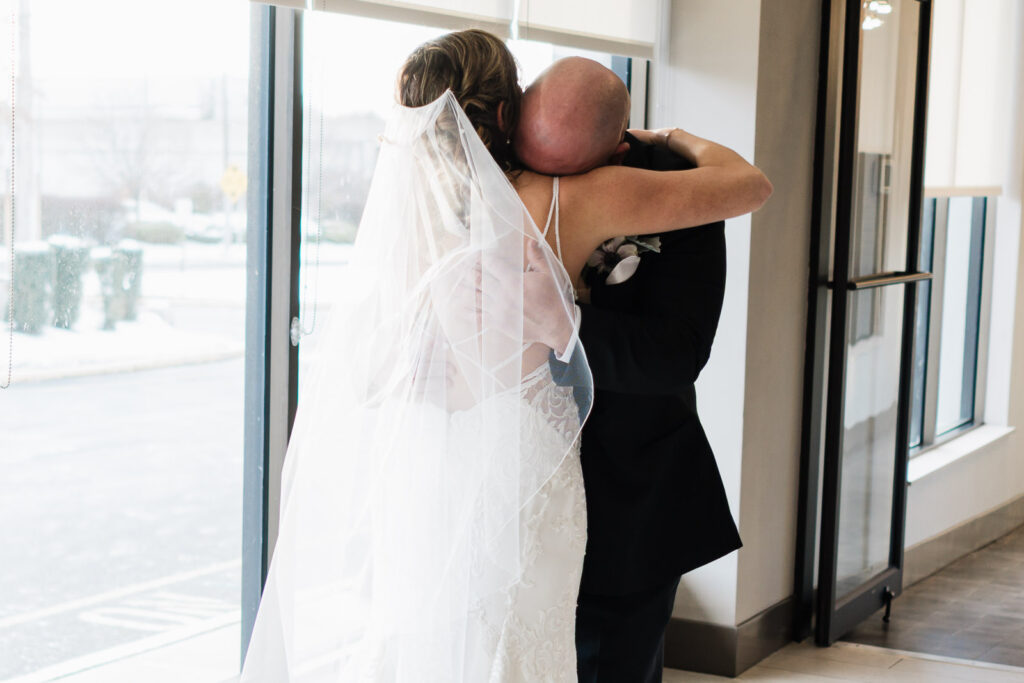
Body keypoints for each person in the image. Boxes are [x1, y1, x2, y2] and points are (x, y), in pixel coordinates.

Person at [240, 29, 770, 683]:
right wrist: (678, 137)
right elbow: (746, 186)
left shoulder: (415, 217)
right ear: (502, 112)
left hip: (452, 481)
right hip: (536, 465)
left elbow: (378, 367)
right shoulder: (570, 198)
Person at [516, 57, 744, 683]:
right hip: (515, 487)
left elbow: (677, 354)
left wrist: (568, 325)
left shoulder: (678, 189)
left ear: (618, 152)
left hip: (630, 495)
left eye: (573, 176)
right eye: (535, 166)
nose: (556, 194)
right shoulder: (495, 169)